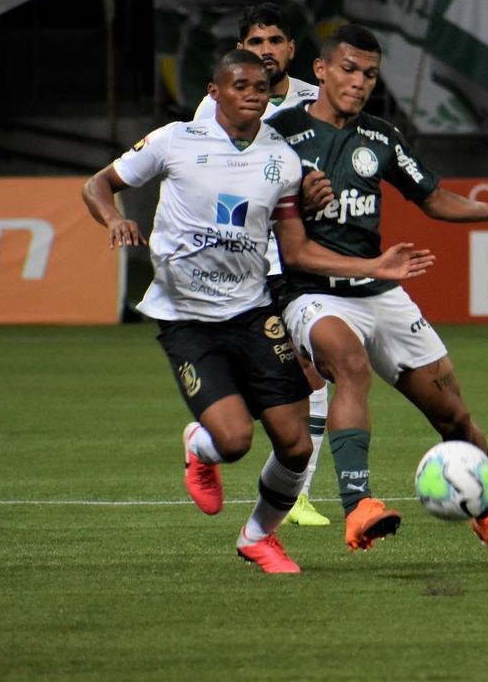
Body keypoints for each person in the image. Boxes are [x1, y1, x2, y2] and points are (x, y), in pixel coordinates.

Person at [81, 48, 433, 574]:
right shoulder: (175, 140)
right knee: (236, 440)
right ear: (214, 90)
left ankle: (257, 538)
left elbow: (295, 251)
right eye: (240, 85)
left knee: (295, 444)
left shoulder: (283, 159)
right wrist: (112, 219)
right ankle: (201, 447)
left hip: (252, 310)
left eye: (261, 88)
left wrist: (371, 264)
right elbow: (98, 184)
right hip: (186, 317)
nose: (252, 94)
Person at [265, 24, 488, 570]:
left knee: (455, 418)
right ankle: (357, 504)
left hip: (379, 291)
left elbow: (431, 197)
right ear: (320, 70)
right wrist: (291, 197)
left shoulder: (380, 137)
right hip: (311, 294)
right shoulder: (279, 134)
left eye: (369, 74)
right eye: (348, 69)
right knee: (349, 363)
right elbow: (270, 225)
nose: (359, 82)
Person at [195, 1, 333, 528]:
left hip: (297, 256)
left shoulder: (313, 102)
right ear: (241, 50)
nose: (266, 51)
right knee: (272, 383)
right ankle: (207, 443)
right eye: (256, 43)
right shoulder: (217, 107)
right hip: (243, 259)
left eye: (275, 41)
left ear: (292, 49)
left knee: (316, 374)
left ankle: (294, 493)